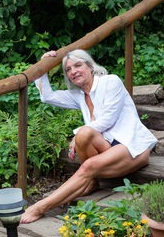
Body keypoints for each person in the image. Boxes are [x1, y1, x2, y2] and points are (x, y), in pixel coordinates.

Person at [20, 49, 157, 224]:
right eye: (68, 69)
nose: (73, 71)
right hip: (108, 149)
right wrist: (43, 67)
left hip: (133, 148)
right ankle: (92, 182)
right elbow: (47, 96)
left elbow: (108, 119)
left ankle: (40, 207)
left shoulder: (111, 82)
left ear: (90, 66)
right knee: (84, 134)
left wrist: (77, 135)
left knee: (85, 144)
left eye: (78, 65)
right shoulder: (79, 96)